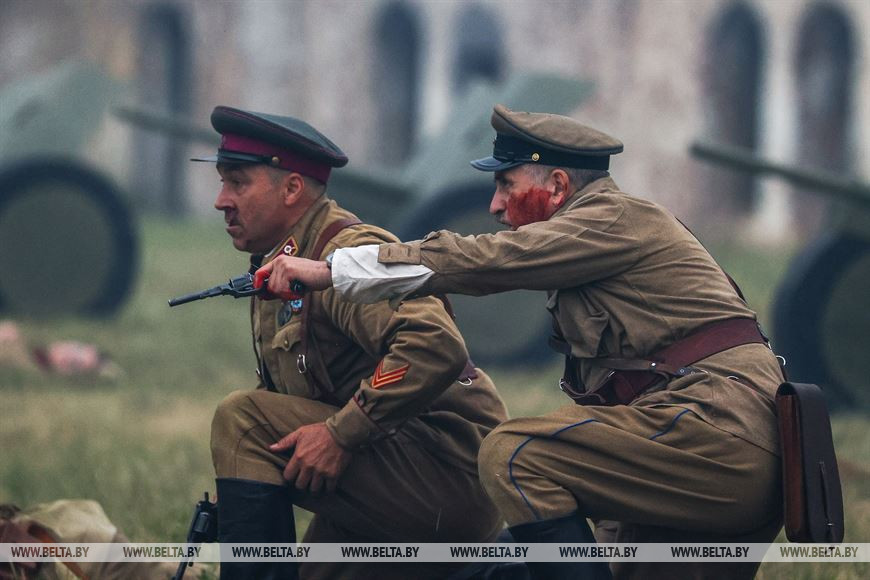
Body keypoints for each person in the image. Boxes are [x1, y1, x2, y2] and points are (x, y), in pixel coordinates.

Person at [264, 104, 786, 580]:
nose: (494, 206)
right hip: (710, 448)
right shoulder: (608, 231)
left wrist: (332, 269)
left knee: (515, 455)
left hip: (716, 430)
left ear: (557, 186)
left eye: (507, 185)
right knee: (517, 561)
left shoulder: (611, 218)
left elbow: (486, 260)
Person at [193, 106, 508, 580]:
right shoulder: (291, 255)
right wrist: (244, 487)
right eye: (222, 182)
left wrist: (341, 434)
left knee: (242, 421)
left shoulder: (342, 257)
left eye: (237, 182)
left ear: (292, 188)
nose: (221, 200)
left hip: (444, 476)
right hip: (397, 464)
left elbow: (435, 345)